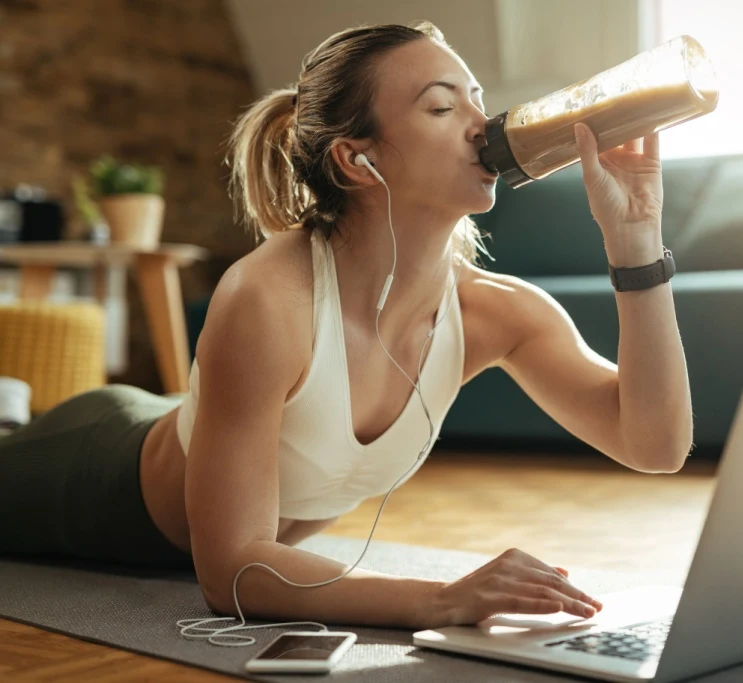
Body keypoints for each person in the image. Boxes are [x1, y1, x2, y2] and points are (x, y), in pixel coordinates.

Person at [0, 21, 692, 631]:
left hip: (177, 432)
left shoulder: (495, 312)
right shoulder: (267, 300)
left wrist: (635, 242)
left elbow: (656, 443)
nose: (482, 123)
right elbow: (229, 573)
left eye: (477, 98)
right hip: (96, 474)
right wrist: (441, 598)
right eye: (441, 106)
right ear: (357, 160)